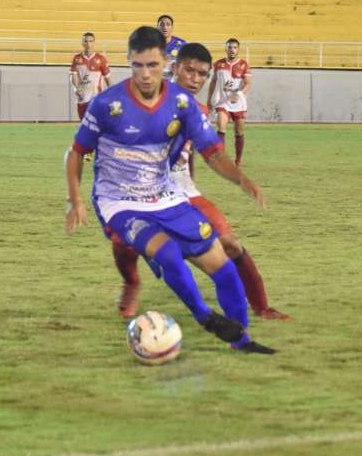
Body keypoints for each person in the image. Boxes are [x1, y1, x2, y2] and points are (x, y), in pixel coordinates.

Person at [65, 25, 275, 354]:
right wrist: (75, 199)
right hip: (119, 200)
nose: (145, 74)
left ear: (164, 62)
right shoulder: (108, 103)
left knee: (224, 257)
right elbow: (77, 151)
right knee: (161, 252)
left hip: (168, 193)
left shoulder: (185, 106)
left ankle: (243, 337)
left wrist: (241, 178)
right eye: (138, 65)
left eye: (152, 65)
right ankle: (197, 313)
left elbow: (212, 153)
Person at [113, 42, 290, 321]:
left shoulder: (198, 108)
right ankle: (131, 283)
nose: (195, 79)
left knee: (230, 244)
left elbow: (200, 152)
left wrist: (236, 180)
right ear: (175, 68)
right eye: (189, 71)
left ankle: (262, 307)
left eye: (201, 74)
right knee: (123, 235)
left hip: (182, 189)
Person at [207, 37, 252, 165]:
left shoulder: (244, 64)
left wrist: (238, 94)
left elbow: (248, 84)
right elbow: (213, 82)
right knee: (221, 128)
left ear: (238, 49)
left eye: (235, 47)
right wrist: (209, 100)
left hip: (239, 103)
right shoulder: (218, 64)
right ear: (225, 49)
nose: (232, 50)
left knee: (239, 132)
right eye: (230, 47)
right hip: (223, 103)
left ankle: (238, 160)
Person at [69, 32, 112, 119]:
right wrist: (76, 89)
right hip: (82, 98)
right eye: (86, 41)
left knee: (97, 126)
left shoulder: (101, 59)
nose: (88, 44)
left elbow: (108, 79)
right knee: (84, 127)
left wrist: (113, 95)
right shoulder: (77, 58)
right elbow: (73, 75)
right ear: (82, 43)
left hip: (96, 99)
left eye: (91, 41)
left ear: (94, 42)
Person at [156, 14, 187, 80]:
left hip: (174, 83)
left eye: (168, 24)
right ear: (157, 27)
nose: (165, 27)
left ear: (172, 27)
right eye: (162, 24)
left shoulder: (181, 44)